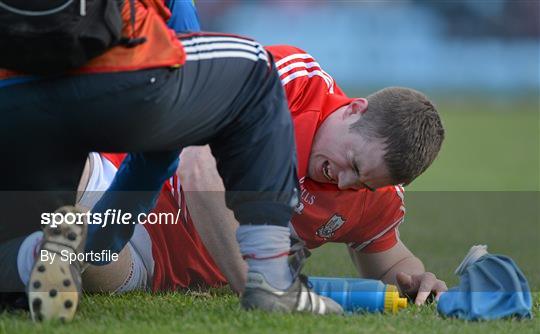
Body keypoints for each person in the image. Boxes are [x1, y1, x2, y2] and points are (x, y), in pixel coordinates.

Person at [0, 1, 339, 321]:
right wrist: (107, 235)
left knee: (22, 243)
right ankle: (270, 276)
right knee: (256, 70)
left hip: (15, 106)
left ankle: (32, 256)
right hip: (111, 89)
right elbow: (174, 141)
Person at [65, 44, 447, 305]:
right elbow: (199, 166)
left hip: (146, 264)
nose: (347, 182)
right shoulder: (290, 81)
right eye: (354, 165)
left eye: (364, 183)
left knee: (99, 261)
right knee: (55, 160)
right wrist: (255, 284)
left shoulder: (377, 197)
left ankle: (65, 234)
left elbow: (393, 264)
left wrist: (417, 283)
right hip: (120, 177)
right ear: (354, 110)